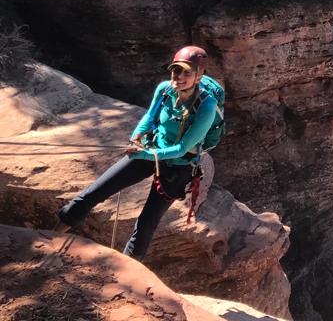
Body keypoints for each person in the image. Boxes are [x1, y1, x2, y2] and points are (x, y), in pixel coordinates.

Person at [56, 45, 218, 260]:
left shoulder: (207, 106)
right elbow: (149, 118)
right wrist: (137, 136)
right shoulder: (165, 90)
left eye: (187, 72)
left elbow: (181, 148)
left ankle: (125, 274)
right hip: (150, 150)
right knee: (92, 193)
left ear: (199, 76)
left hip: (177, 166)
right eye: (176, 70)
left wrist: (142, 154)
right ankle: (49, 238)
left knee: (146, 223)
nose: (178, 77)